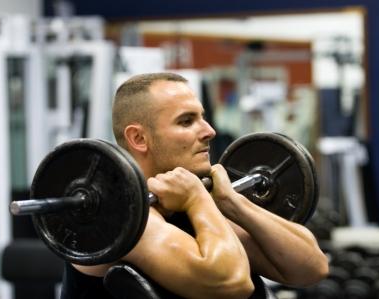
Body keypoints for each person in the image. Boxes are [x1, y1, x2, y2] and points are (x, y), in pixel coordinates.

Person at [61, 72, 329, 299]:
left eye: (202, 117)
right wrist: (197, 199)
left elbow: (310, 267)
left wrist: (233, 203)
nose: (209, 130)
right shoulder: (120, 217)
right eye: (186, 121)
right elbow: (232, 283)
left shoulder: (203, 204)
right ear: (139, 138)